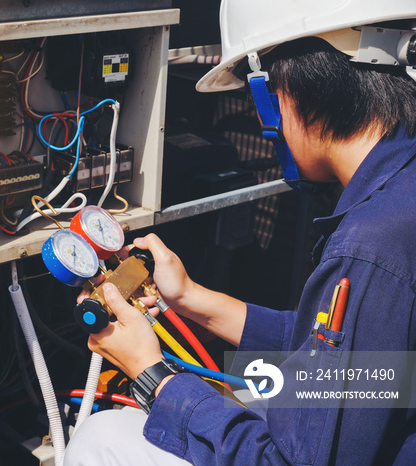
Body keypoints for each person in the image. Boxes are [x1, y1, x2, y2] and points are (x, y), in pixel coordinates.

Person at [64, 1, 416, 464]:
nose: (263, 123)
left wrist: (152, 375)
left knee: (102, 436)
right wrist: (188, 296)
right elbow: (349, 357)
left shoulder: (371, 247)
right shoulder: (397, 202)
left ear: (285, 90)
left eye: (259, 96)